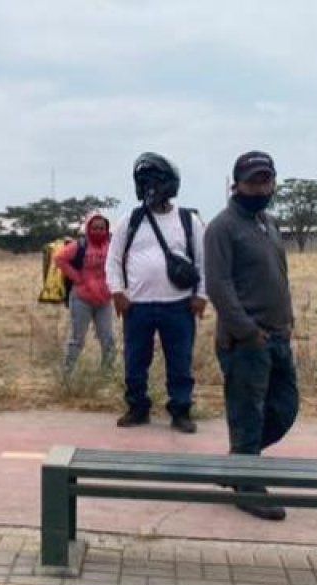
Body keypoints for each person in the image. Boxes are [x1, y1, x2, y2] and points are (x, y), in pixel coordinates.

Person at [203, 151, 298, 521]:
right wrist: (248, 331)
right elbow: (219, 285)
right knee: (247, 413)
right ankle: (248, 484)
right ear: (237, 184)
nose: (262, 187)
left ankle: (239, 464)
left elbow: (280, 276)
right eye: (254, 181)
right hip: (245, 341)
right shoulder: (222, 227)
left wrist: (287, 322)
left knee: (285, 408)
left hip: (278, 336)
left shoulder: (269, 224)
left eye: (267, 180)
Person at [105, 153, 207, 433]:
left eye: (154, 181)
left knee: (180, 363)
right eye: (144, 182)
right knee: (135, 362)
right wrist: (117, 291)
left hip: (179, 306)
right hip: (137, 306)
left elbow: (203, 260)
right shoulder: (131, 220)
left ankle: (181, 411)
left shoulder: (188, 221)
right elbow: (113, 259)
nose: (149, 188)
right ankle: (137, 408)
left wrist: (201, 296)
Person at [55, 211, 116, 374]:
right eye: (94, 228)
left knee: (108, 339)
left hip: (104, 300)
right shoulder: (79, 245)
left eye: (102, 228)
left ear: (107, 229)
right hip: (82, 298)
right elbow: (59, 258)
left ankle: (108, 374)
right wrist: (76, 277)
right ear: (88, 229)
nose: (98, 231)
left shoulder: (112, 246)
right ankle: (68, 373)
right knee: (77, 339)